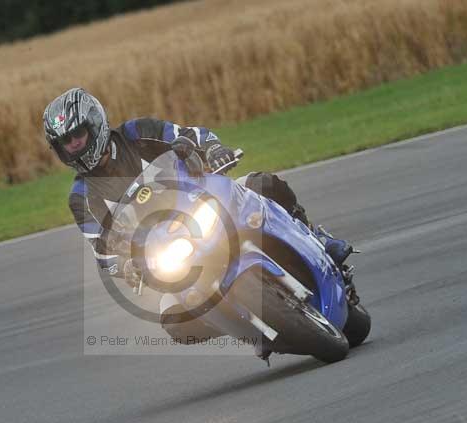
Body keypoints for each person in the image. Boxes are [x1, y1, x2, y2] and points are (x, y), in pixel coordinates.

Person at [41, 87, 352, 341]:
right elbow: (101, 249)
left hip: (202, 205)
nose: (74, 146)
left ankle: (317, 237)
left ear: (94, 124)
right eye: (65, 143)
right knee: (173, 321)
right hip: (167, 250)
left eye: (77, 135)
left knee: (262, 183)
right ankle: (246, 325)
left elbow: (188, 135)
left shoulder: (137, 132)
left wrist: (213, 149)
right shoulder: (80, 197)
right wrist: (125, 264)